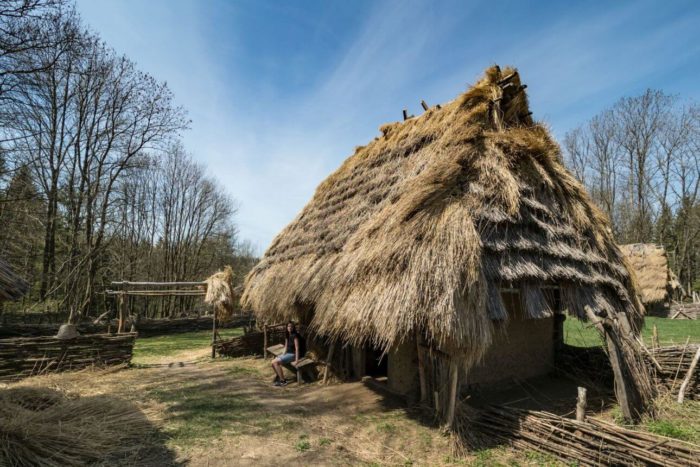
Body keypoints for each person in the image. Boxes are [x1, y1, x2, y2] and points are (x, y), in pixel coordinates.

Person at [271, 322, 305, 386]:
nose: (290, 328)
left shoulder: (295, 336)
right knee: (272, 362)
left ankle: (283, 381)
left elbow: (297, 348)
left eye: (291, 326)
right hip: (288, 354)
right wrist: (282, 354)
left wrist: (297, 360)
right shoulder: (287, 335)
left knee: (275, 362)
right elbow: (286, 347)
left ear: (293, 328)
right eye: (288, 326)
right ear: (287, 327)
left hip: (293, 354)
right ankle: (279, 377)